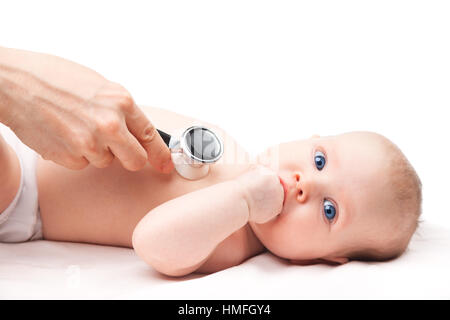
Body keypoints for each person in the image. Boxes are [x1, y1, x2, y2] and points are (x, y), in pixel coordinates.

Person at [0, 49, 422, 277]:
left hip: (24, 192)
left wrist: (240, 200)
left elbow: (152, 242)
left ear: (324, 258)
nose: (303, 185)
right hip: (36, 137)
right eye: (318, 160)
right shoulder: (232, 149)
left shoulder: (230, 240)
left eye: (329, 210)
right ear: (311, 138)